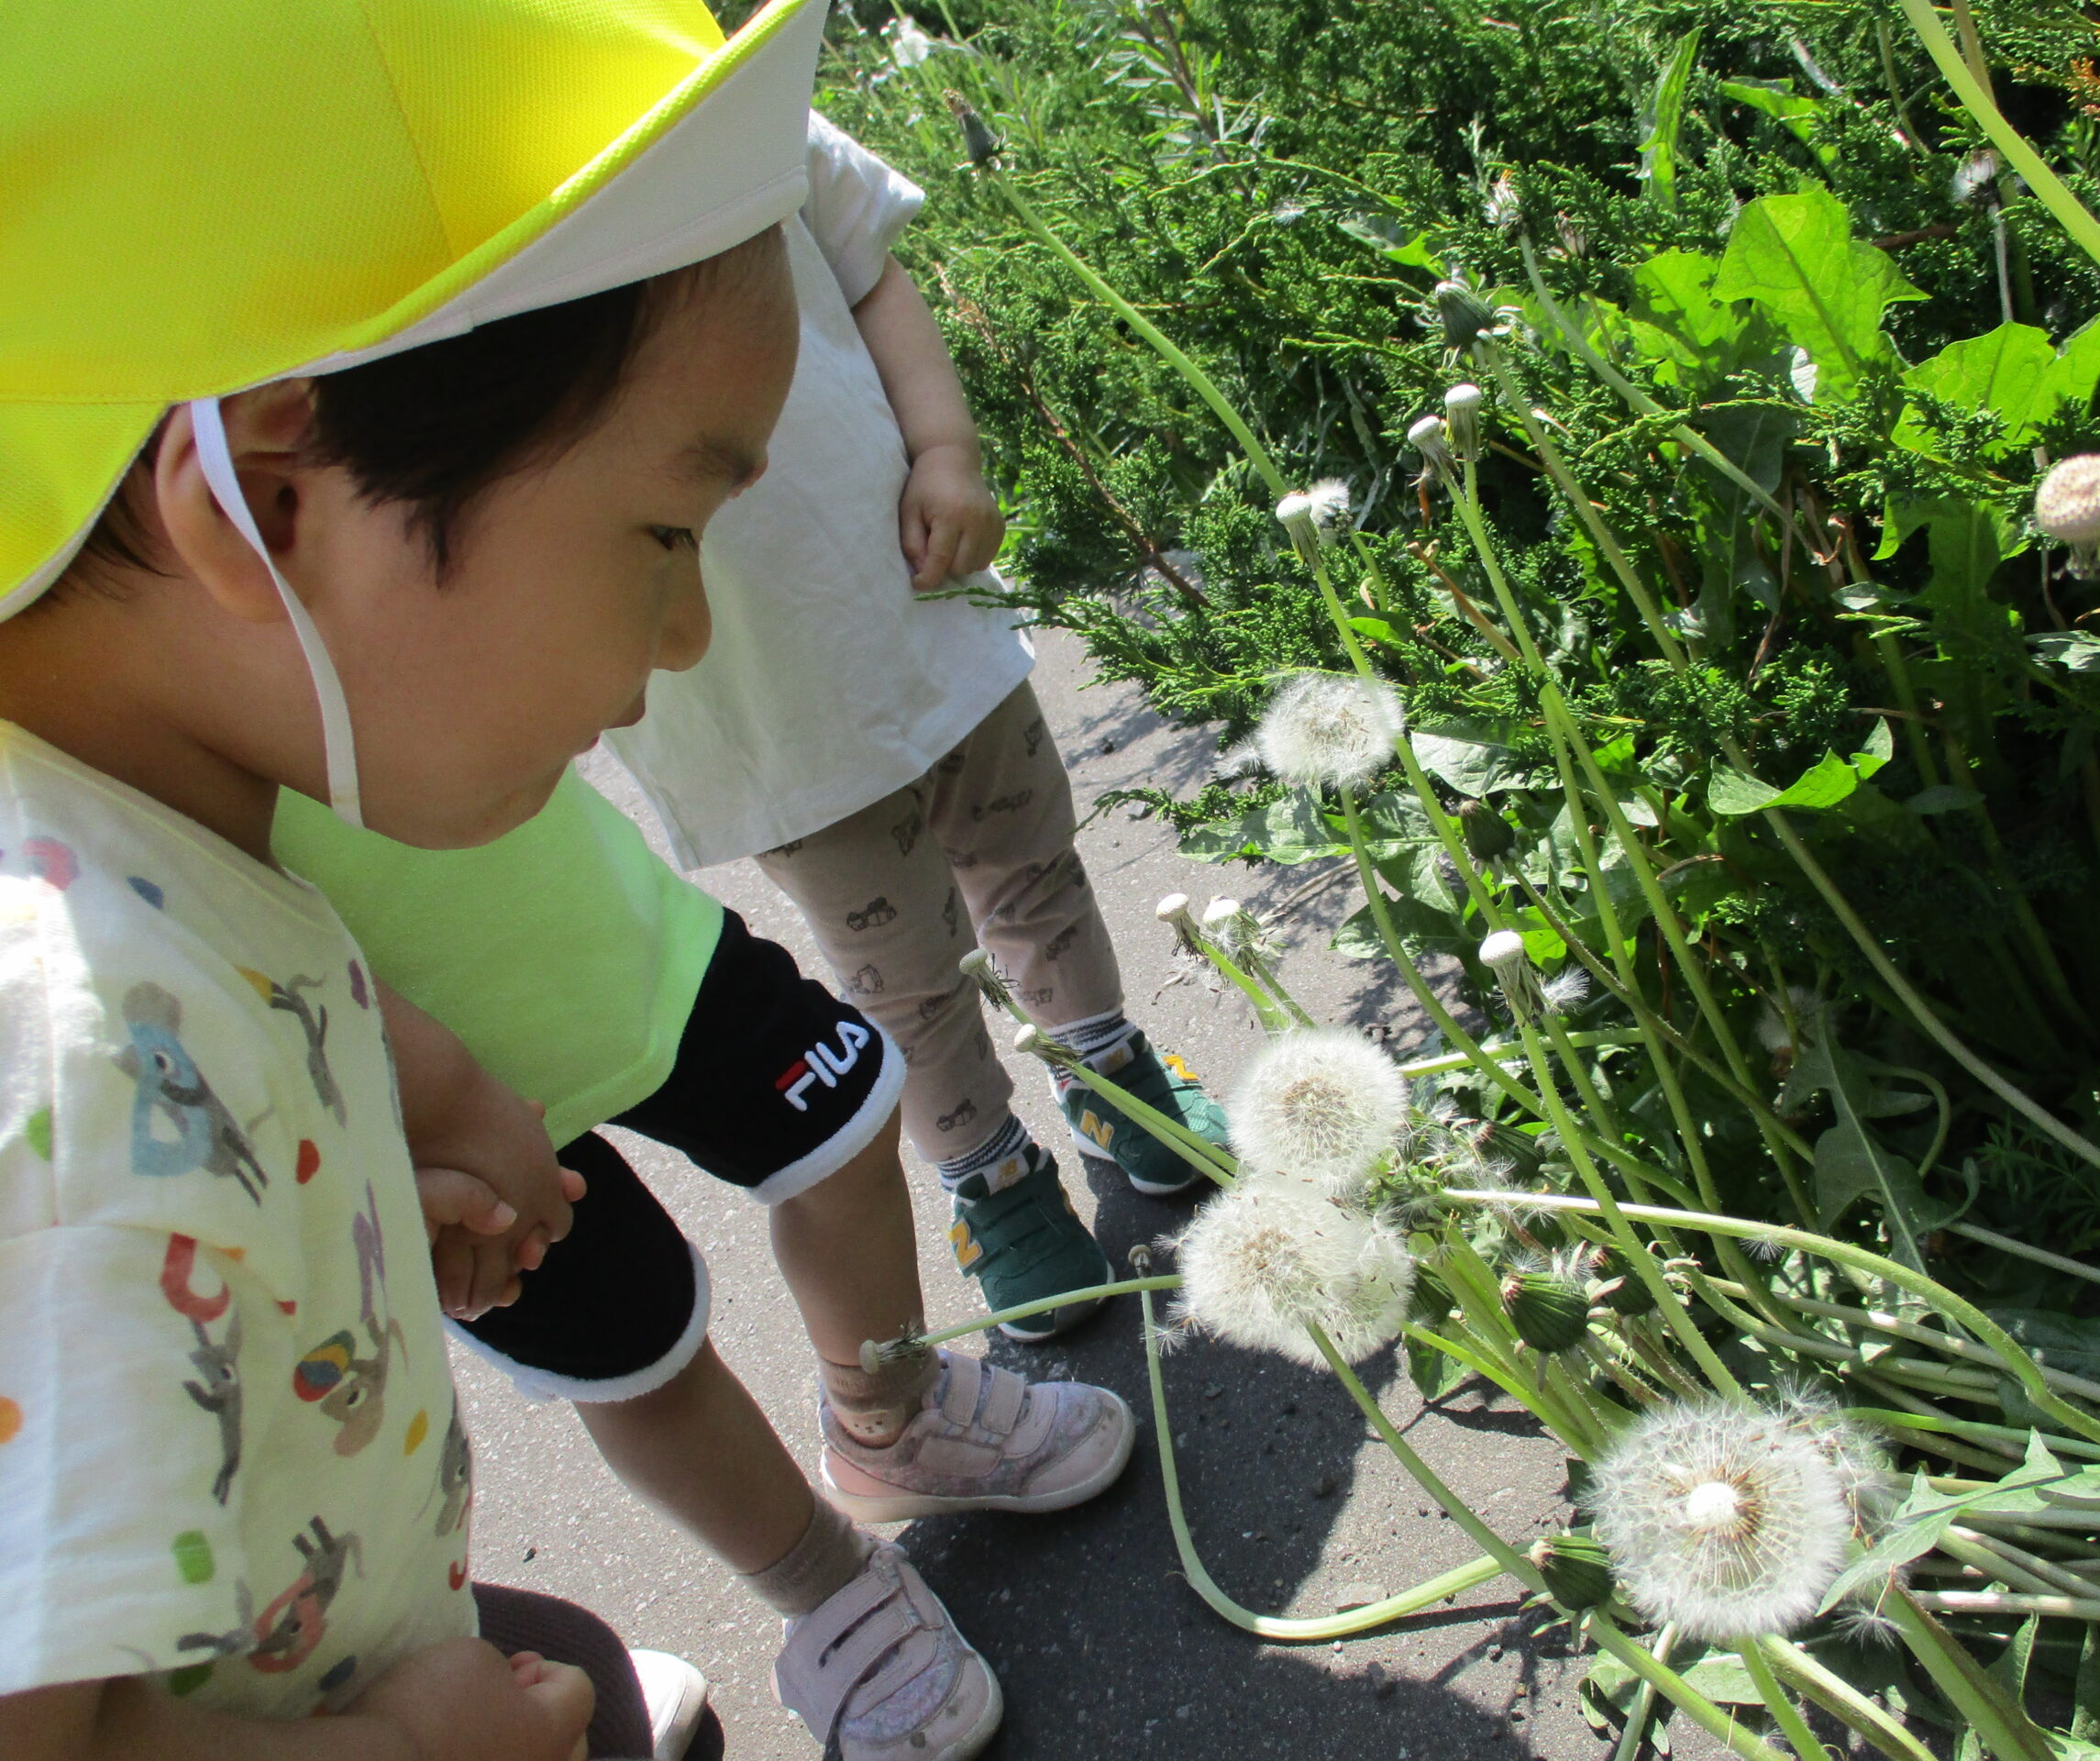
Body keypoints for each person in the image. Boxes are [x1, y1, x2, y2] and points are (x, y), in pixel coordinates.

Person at [0, 2, 892, 1757]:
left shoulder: (155, 877)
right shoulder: (76, 1059)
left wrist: (312, 1231)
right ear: (268, 489)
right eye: (663, 532)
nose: (690, 632)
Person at [601, 113, 1234, 1335]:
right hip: (753, 701)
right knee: (905, 976)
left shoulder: (731, 93)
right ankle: (991, 1176)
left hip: (916, 592)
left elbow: (869, 270)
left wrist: (946, 444)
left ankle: (1108, 1071)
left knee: (1032, 867)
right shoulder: (461, 227)